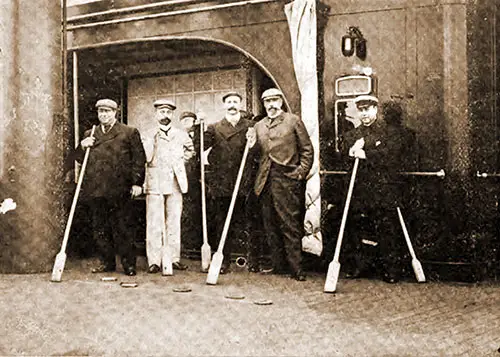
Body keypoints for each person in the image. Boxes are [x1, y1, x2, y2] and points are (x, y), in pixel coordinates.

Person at [341, 95, 417, 283]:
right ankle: (360, 266)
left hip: (383, 190)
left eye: (368, 109)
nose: (364, 114)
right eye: (361, 110)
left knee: (386, 229)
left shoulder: (389, 132)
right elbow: (343, 156)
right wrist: (350, 151)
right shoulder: (351, 135)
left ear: (375, 109)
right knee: (359, 229)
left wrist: (365, 153)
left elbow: (391, 155)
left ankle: (390, 270)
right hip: (359, 190)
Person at [246, 88, 314, 281]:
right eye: (267, 101)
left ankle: (297, 269)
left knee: (289, 224)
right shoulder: (259, 126)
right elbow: (254, 155)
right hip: (264, 181)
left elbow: (307, 150)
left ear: (281, 102)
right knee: (270, 225)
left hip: (286, 179)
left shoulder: (293, 121)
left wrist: (300, 173)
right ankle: (279, 266)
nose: (271, 105)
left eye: (275, 100)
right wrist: (250, 146)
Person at [79, 99, 146, 276]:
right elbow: (79, 159)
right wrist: (82, 146)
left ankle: (128, 264)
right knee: (100, 229)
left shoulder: (129, 132)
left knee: (123, 228)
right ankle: (106, 263)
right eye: (101, 111)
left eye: (107, 111)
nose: (104, 115)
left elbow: (139, 160)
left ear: (115, 112)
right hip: (97, 188)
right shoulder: (91, 133)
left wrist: (137, 183)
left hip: (120, 189)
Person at [203, 92, 256, 274]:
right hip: (223, 184)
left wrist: (253, 141)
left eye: (235, 101)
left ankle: (250, 259)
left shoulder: (250, 126)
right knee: (222, 222)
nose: (232, 105)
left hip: (244, 182)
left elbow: (257, 151)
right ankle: (223, 260)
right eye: (229, 102)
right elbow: (200, 146)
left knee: (246, 221)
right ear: (224, 105)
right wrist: (198, 129)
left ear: (240, 104)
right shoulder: (214, 128)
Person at [143, 99, 195, 273]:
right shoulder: (148, 134)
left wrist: (180, 162)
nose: (165, 116)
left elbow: (190, 150)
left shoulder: (181, 135)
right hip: (155, 181)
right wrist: (152, 140)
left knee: (173, 221)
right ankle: (154, 261)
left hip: (175, 182)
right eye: (161, 112)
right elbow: (144, 156)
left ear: (172, 115)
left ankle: (173, 258)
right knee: (155, 222)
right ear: (156, 114)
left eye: (168, 112)